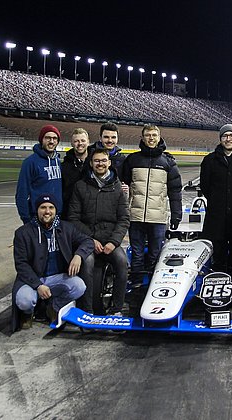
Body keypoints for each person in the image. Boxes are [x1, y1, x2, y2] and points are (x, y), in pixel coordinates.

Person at [12, 193, 94, 330]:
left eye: (51, 207)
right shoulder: (23, 233)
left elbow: (88, 241)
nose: (47, 211)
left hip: (57, 277)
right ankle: (27, 313)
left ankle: (53, 306)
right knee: (24, 301)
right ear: (37, 210)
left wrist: (79, 255)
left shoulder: (65, 228)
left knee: (79, 286)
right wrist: (38, 285)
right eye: (43, 207)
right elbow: (21, 264)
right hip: (33, 279)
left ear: (56, 210)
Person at [67, 147, 129, 315]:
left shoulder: (117, 188)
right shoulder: (81, 186)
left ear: (109, 163)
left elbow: (124, 219)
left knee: (122, 262)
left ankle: (116, 309)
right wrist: (90, 239)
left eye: (103, 161)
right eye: (96, 161)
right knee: (86, 264)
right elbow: (73, 218)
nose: (100, 164)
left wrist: (113, 242)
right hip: (88, 240)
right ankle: (87, 310)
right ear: (91, 163)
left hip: (110, 241)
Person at [122, 124, 182, 283]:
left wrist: (176, 215)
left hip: (158, 219)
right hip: (135, 217)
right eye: (148, 135)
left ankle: (151, 286)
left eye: (154, 135)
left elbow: (175, 191)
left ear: (159, 137)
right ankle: (136, 286)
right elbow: (122, 185)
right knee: (137, 254)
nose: (151, 138)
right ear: (142, 138)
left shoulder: (168, 162)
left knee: (155, 255)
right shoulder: (132, 160)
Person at [200, 124, 232, 274]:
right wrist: (218, 201)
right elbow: (205, 186)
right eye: (225, 136)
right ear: (220, 139)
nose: (228, 139)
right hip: (216, 218)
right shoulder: (209, 160)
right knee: (218, 256)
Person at [15, 125, 63, 224]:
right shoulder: (30, 162)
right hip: (37, 217)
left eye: (55, 138)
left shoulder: (57, 161)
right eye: (48, 138)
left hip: (56, 216)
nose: (51, 141)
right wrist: (26, 219)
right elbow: (21, 193)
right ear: (41, 140)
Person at [61, 127, 90, 218]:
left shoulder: (97, 163)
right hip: (70, 215)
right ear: (72, 143)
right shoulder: (64, 166)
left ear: (88, 142)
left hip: (91, 215)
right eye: (76, 141)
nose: (80, 143)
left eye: (83, 140)